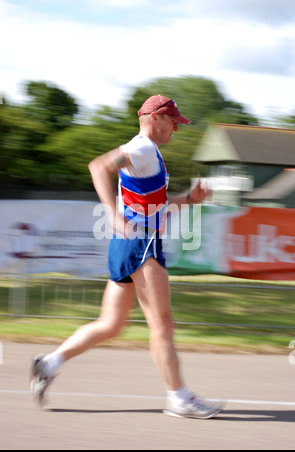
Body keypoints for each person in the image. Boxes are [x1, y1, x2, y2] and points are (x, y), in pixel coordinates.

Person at [30, 95, 225, 419]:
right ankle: (180, 398)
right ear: (155, 118)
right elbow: (98, 166)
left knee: (110, 324)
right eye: (172, 120)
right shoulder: (143, 148)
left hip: (126, 245)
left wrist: (190, 199)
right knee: (162, 323)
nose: (176, 127)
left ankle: (49, 364)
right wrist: (113, 214)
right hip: (140, 244)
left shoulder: (148, 154)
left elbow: (156, 205)